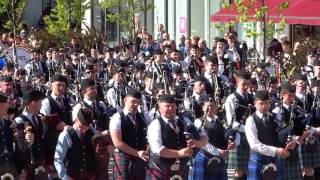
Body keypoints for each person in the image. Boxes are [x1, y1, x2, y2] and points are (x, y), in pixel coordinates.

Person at [147, 95, 208, 179]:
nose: (170, 109)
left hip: (182, 169)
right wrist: (179, 153)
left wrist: (197, 143)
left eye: (172, 106)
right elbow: (157, 150)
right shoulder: (156, 124)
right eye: (167, 106)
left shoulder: (184, 121)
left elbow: (204, 137)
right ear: (160, 108)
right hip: (162, 169)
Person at [245, 90, 290, 180]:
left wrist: (291, 141)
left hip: (274, 159)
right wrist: (276, 150)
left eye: (267, 103)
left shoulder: (273, 117)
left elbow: (280, 134)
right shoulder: (251, 120)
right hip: (258, 160)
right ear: (255, 104)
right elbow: (254, 145)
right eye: (261, 103)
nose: (265, 106)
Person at [109, 88, 149, 180]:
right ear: (125, 100)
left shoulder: (142, 117)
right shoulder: (117, 118)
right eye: (133, 101)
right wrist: (137, 153)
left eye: (138, 102)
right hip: (124, 158)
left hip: (140, 159)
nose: (136, 105)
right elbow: (117, 143)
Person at [192, 97, 236, 180]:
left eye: (212, 106)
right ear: (203, 108)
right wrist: (218, 151)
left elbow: (228, 135)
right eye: (207, 106)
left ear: (216, 107)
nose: (210, 109)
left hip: (219, 158)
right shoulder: (198, 121)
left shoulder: (221, 121)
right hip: (204, 157)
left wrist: (232, 143)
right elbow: (201, 141)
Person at [225, 70, 254, 180]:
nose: (246, 87)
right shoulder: (231, 99)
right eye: (244, 84)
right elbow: (231, 122)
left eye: (248, 84)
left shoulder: (251, 97)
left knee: (248, 168)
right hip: (238, 136)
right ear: (237, 82)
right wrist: (248, 129)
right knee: (239, 171)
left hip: (250, 136)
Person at [54, 107, 96, 180]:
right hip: (72, 176)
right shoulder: (66, 135)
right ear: (76, 119)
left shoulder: (92, 132)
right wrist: (64, 177)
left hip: (90, 176)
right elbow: (58, 159)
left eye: (86, 128)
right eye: (81, 127)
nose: (83, 130)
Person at [15, 90, 48, 179]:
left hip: (40, 162)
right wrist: (22, 168)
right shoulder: (19, 121)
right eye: (40, 102)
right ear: (31, 103)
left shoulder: (38, 118)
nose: (41, 105)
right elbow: (20, 148)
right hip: (28, 164)